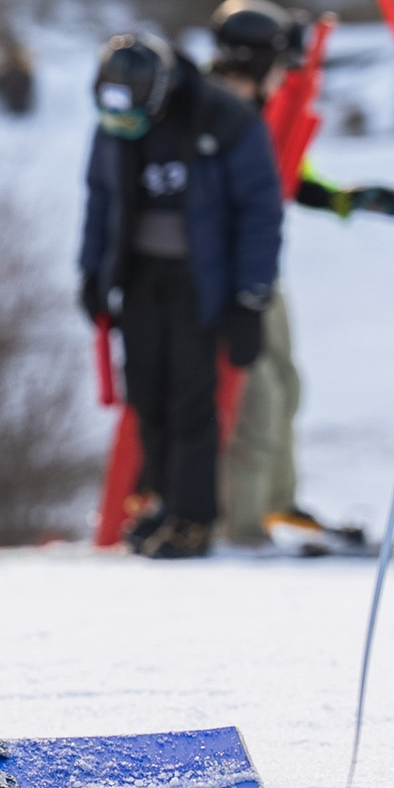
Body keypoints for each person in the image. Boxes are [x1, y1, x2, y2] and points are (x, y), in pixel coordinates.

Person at [203, 0, 394, 550]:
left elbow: (289, 174)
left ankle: (276, 504)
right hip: (221, 275)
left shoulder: (264, 107)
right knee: (257, 397)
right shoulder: (208, 109)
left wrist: (345, 199)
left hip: (263, 269)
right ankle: (240, 525)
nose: (289, 76)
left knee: (287, 385)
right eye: (282, 64)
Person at [80, 31, 283, 559]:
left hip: (203, 279)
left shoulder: (227, 120)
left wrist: (249, 298)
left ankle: (194, 519)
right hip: (141, 276)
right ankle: (164, 504)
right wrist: (92, 273)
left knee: (192, 399)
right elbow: (101, 198)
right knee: (147, 395)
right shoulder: (114, 124)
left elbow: (260, 212)